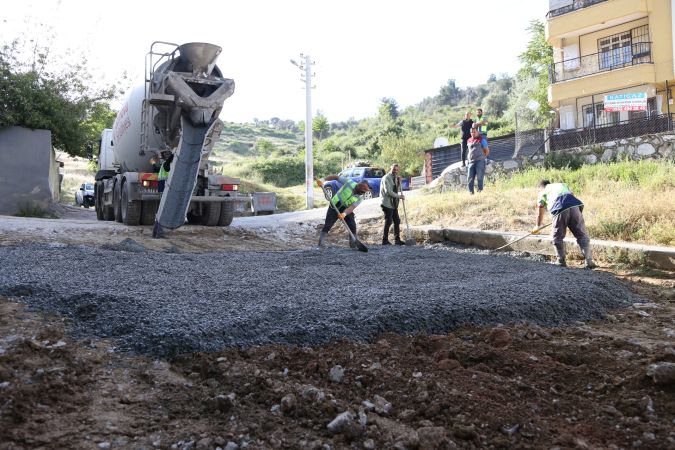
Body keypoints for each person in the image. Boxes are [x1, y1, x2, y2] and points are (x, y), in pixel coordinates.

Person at [532, 180, 596, 269]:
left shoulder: (542, 192)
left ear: (540, 187)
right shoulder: (562, 185)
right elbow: (572, 195)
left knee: (557, 237)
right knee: (582, 235)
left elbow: (540, 213)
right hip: (575, 207)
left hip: (559, 209)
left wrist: (537, 226)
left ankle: (561, 261)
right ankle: (589, 261)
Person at [318, 175, 371, 249]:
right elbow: (336, 177)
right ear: (359, 185)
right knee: (328, 224)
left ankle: (353, 244)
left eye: (365, 191)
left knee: (352, 225)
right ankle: (321, 243)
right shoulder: (349, 182)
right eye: (363, 191)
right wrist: (323, 179)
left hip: (345, 209)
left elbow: (352, 207)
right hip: (334, 205)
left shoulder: (360, 197)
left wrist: (344, 213)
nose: (363, 193)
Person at [380, 163, 405, 245]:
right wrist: (399, 196)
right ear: (390, 168)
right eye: (394, 169)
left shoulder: (395, 178)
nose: (395, 171)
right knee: (389, 221)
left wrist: (399, 182)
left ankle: (397, 240)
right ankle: (384, 240)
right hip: (387, 203)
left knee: (397, 221)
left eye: (397, 170)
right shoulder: (386, 178)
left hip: (393, 203)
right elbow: (388, 192)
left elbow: (395, 189)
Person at [152, 152, 174, 239]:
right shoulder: (166, 165)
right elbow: (169, 161)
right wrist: (174, 154)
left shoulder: (163, 165)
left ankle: (155, 232)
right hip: (165, 190)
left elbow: (155, 168)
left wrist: (153, 163)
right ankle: (160, 233)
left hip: (162, 190)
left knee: (161, 210)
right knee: (164, 211)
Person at [466, 125, 490, 194]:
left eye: (474, 132)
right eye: (471, 132)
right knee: (469, 178)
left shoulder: (482, 140)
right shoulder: (468, 140)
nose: (472, 133)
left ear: (477, 132)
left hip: (480, 161)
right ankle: (471, 193)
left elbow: (487, 150)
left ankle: (480, 192)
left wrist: (483, 157)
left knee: (480, 178)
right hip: (471, 162)